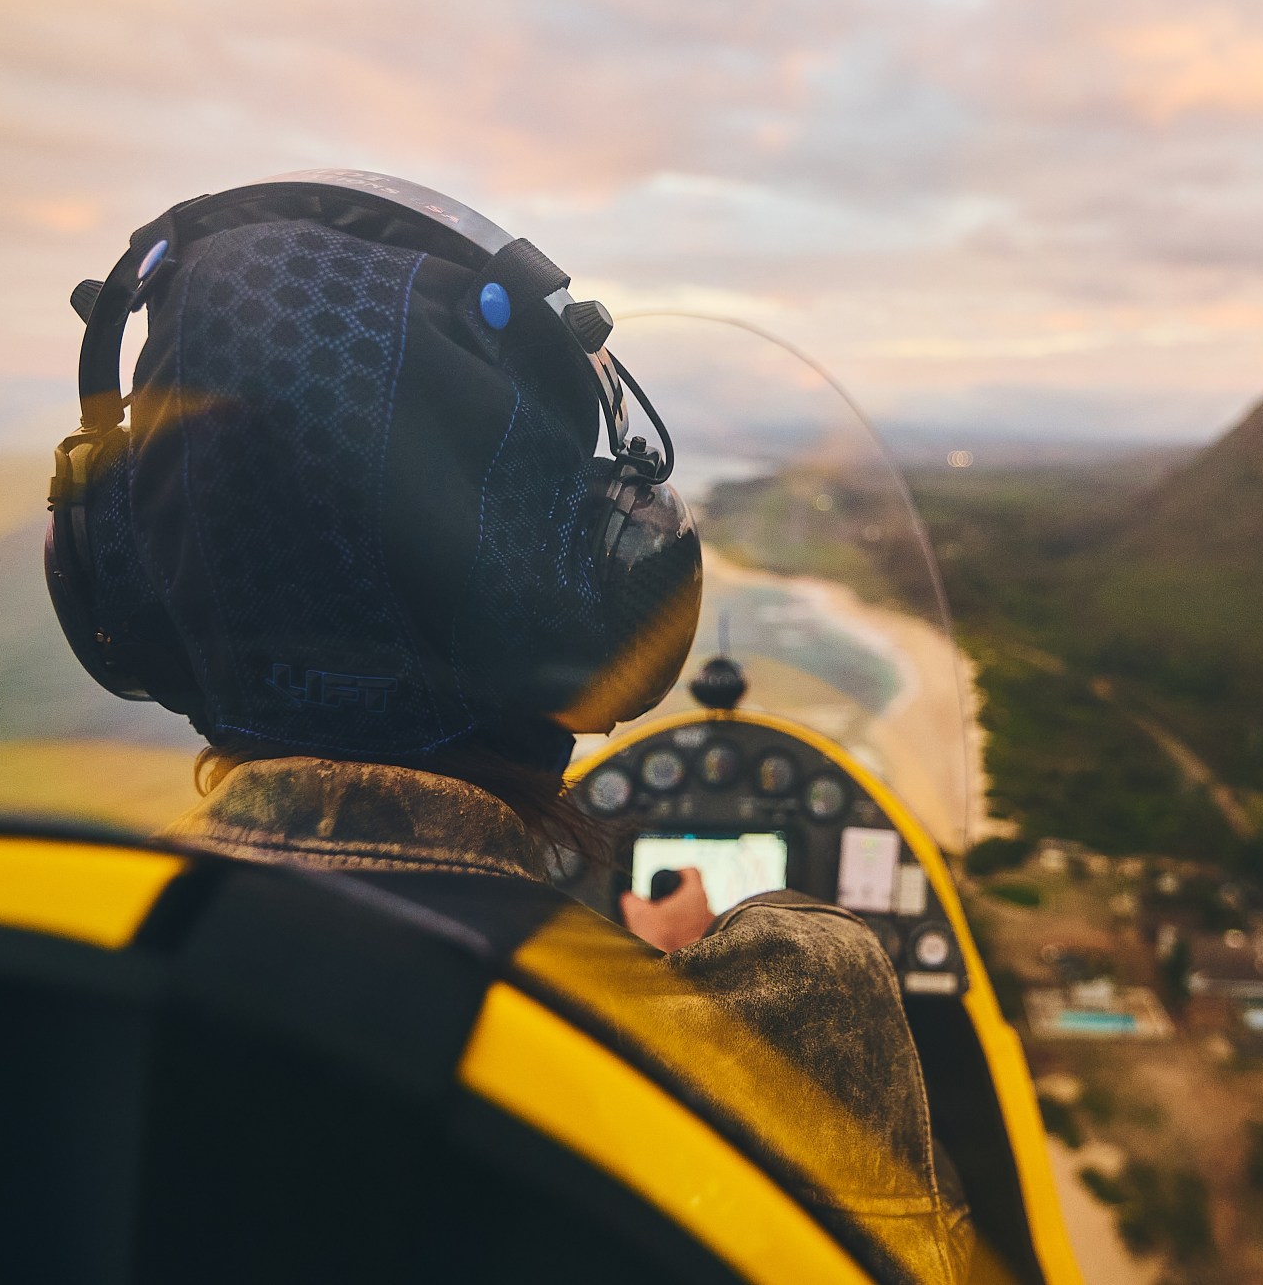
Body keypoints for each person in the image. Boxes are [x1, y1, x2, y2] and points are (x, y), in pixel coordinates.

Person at [47, 170, 967, 1277]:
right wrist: (642, 980)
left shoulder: (29, 1005)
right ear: (597, 597)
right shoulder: (784, 1016)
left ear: (123, 592)